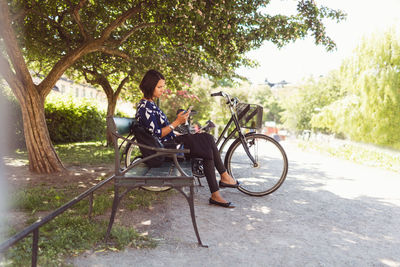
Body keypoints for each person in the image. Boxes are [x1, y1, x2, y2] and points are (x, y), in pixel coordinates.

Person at [135, 69, 239, 208]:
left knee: (206, 142)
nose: (162, 90)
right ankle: (221, 182)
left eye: (163, 87)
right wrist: (177, 122)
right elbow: (157, 134)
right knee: (207, 140)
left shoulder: (150, 104)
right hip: (164, 148)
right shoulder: (145, 108)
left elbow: (161, 131)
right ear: (149, 86)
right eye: (159, 87)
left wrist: (179, 133)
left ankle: (218, 190)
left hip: (169, 142)